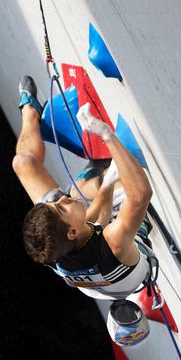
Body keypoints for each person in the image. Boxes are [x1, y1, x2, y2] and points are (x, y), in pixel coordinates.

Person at [12, 75, 154, 301]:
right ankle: (98, 176)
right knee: (122, 179)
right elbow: (141, 194)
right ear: (72, 233)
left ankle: (30, 111)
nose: (61, 199)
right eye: (60, 208)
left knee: (23, 164)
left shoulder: (52, 250)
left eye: (54, 203)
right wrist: (107, 135)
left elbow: (86, 222)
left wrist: (104, 187)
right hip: (125, 257)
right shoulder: (113, 242)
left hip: (84, 236)